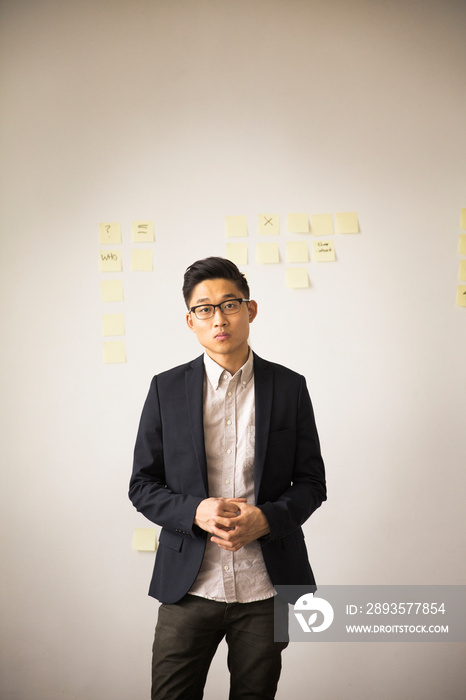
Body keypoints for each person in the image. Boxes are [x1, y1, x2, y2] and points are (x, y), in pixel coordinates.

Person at [129, 256, 326, 700]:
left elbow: (312, 483)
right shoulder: (166, 389)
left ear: (250, 310)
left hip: (265, 587)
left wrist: (268, 519)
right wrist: (194, 510)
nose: (219, 318)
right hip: (188, 587)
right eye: (205, 309)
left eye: (230, 304)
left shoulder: (290, 387)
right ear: (191, 321)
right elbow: (142, 484)